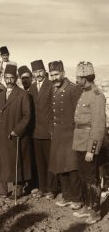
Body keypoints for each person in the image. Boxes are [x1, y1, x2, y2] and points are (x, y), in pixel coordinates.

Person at [72, 62, 106, 224]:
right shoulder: (84, 92)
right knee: (84, 176)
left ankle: (96, 210)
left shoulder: (97, 95)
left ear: (85, 78)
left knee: (92, 179)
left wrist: (91, 150)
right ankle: (87, 206)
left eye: (78, 77)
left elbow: (98, 126)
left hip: (88, 144)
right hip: (79, 142)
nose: (76, 79)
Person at [0, 64, 32, 199]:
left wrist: (17, 130)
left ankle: (18, 189)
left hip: (14, 134)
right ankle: (1, 190)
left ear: (16, 79)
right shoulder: (2, 94)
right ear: (4, 78)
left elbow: (27, 116)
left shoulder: (22, 94)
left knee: (16, 161)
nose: (9, 81)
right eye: (6, 78)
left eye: (12, 78)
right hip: (1, 133)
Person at [48, 60, 83, 210]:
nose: (54, 78)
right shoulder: (53, 89)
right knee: (61, 166)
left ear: (63, 73)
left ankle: (78, 198)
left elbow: (80, 114)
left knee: (73, 168)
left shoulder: (73, 89)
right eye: (51, 75)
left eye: (56, 74)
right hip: (58, 135)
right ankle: (67, 196)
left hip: (71, 134)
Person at [29, 60, 58, 199]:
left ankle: (52, 189)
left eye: (40, 71)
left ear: (44, 71)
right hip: (36, 131)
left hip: (48, 130)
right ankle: (42, 187)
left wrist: (52, 129)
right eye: (35, 72)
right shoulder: (32, 87)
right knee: (39, 162)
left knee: (50, 161)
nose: (38, 74)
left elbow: (54, 109)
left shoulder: (51, 85)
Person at [18, 65, 38, 194]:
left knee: (36, 158)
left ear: (32, 78)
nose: (25, 81)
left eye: (27, 78)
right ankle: (29, 182)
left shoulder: (35, 91)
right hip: (25, 130)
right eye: (22, 78)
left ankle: (37, 183)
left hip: (36, 128)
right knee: (26, 157)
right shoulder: (20, 93)